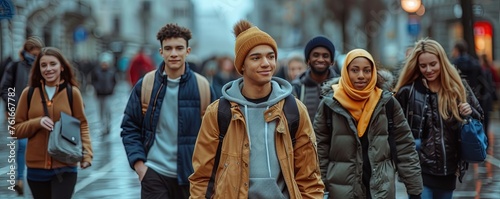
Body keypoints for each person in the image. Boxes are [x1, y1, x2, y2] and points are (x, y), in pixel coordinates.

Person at [189, 20, 324, 198]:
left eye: (270, 56)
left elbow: (309, 177)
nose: (266, 63)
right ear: (241, 65)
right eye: (256, 58)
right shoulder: (219, 112)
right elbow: (202, 177)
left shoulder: (294, 110)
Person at [121, 23, 215, 199]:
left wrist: (209, 175)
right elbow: (129, 127)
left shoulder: (203, 87)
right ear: (161, 52)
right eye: (168, 48)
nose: (174, 54)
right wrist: (140, 167)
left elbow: (217, 135)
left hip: (192, 176)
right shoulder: (146, 85)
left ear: (187, 51)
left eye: (179, 48)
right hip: (154, 174)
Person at [313, 49, 422, 199]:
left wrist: (414, 189)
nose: (361, 76)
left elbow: (405, 146)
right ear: (346, 72)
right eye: (355, 70)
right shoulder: (330, 105)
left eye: (367, 70)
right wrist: (320, 189)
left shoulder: (387, 103)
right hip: (342, 190)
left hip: (380, 190)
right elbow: (319, 152)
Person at [394, 38, 483, 199]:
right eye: (423, 66)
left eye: (433, 64)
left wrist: (469, 112)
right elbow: (395, 128)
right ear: (417, 66)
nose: (428, 69)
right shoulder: (408, 91)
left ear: (442, 62)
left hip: (448, 170)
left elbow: (479, 118)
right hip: (418, 170)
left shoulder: (457, 88)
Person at [13, 47, 93, 199]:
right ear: (39, 69)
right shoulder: (29, 93)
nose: (48, 69)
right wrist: (37, 122)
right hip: (36, 169)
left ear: (61, 67)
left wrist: (87, 154)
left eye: (53, 64)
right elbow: (15, 129)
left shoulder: (72, 92)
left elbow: (82, 124)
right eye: (43, 65)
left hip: (65, 166)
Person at [0, 36, 44, 196]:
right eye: (33, 53)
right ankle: (19, 179)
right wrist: (13, 105)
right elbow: (5, 88)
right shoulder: (15, 66)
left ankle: (36, 178)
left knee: (40, 145)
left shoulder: (43, 67)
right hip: (20, 113)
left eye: (37, 54)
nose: (35, 56)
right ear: (26, 51)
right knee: (23, 146)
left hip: (40, 112)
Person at [292, 36, 340, 123]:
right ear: (308, 60)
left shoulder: (341, 87)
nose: (321, 59)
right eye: (316, 55)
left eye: (325, 56)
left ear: (332, 61)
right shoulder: (296, 89)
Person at [91, 51, 117, 134]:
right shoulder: (96, 71)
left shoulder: (111, 72)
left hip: (108, 94)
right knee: (101, 110)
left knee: (108, 110)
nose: (104, 65)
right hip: (99, 94)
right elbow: (93, 81)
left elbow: (114, 81)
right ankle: (102, 125)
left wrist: (111, 89)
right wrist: (97, 88)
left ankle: (108, 124)